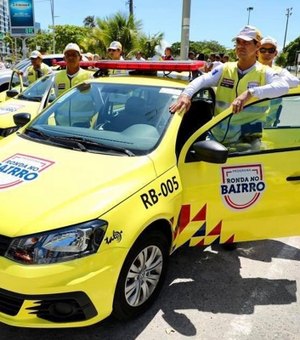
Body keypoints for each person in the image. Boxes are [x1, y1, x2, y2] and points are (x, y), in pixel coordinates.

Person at [169, 25, 289, 147]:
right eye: (238, 42)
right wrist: (186, 95)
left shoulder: (265, 72)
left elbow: (283, 86)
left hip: (247, 142)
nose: (241, 46)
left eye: (246, 43)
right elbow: (202, 80)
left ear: (257, 46)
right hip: (217, 137)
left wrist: (250, 93)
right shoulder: (225, 68)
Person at [257, 36, 299, 127]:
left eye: (271, 50)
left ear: (275, 53)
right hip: (247, 122)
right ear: (257, 52)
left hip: (269, 125)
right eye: (263, 50)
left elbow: (295, 82)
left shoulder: (280, 71)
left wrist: (271, 80)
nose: (267, 53)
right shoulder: (251, 69)